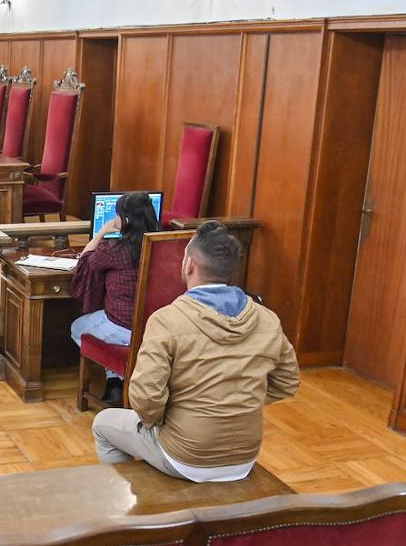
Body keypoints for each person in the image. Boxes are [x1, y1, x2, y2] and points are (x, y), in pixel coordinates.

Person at [92, 221, 300, 482]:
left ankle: (137, 499)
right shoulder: (267, 319)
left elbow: (145, 397)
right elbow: (288, 382)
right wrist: (238, 399)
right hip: (244, 456)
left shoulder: (167, 320)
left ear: (189, 265)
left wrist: (165, 419)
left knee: (103, 424)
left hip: (187, 454)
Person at [69, 192, 160, 404]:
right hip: (156, 328)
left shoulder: (115, 250)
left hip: (121, 326)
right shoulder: (162, 246)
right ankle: (116, 382)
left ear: (124, 220)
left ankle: (117, 377)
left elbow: (84, 264)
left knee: (77, 327)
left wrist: (101, 232)